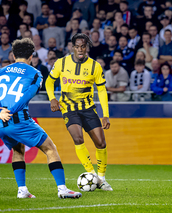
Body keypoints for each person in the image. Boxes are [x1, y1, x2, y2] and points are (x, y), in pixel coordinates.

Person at [0, 38, 81, 199]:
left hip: (1, 121)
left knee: (18, 149)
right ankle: (62, 189)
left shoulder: (2, 71)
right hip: (17, 119)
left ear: (13, 55)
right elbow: (25, 96)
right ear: (31, 56)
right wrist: (9, 111)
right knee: (50, 148)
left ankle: (22, 190)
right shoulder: (35, 73)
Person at [45, 33, 112, 191]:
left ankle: (101, 178)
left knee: (101, 143)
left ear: (87, 47)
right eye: (77, 46)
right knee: (78, 138)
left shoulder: (95, 66)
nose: (80, 49)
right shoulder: (61, 63)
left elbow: (102, 91)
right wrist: (52, 99)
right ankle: (91, 175)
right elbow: (49, 82)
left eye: (83, 46)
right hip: (68, 109)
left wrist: (106, 115)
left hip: (88, 109)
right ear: (72, 47)